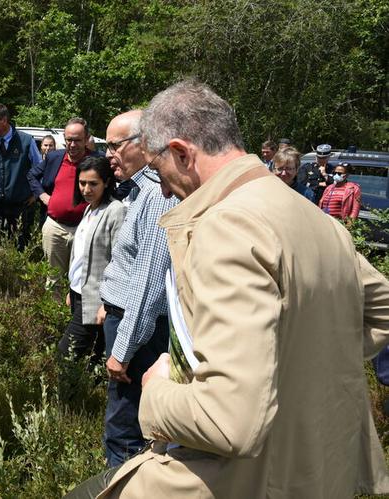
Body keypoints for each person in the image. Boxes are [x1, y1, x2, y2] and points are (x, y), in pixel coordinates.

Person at [69, 79, 389, 498]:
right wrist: (294, 368)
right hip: (316, 471)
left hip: (234, 480)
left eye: (159, 171)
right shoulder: (318, 221)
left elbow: (228, 420)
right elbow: (379, 311)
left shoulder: (227, 225)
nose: (162, 189)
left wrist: (156, 391)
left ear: (182, 153)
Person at [97, 109, 178, 467]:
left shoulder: (158, 194)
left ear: (142, 142)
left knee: (125, 431)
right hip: (127, 319)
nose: (108, 155)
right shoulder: (140, 190)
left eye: (114, 145)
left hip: (139, 333)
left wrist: (123, 351)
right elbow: (132, 266)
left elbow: (149, 284)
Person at [59, 156, 126, 366]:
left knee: (65, 353)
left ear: (106, 182)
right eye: (82, 183)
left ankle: (67, 398)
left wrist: (107, 303)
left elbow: (119, 260)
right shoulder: (89, 208)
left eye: (93, 184)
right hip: (79, 293)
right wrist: (72, 289)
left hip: (98, 299)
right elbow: (81, 255)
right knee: (92, 355)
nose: (86, 189)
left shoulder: (116, 210)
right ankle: (85, 397)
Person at [28, 117, 97, 275]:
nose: (72, 145)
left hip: (85, 228)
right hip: (55, 228)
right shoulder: (55, 157)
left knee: (81, 277)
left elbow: (119, 183)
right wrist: (43, 195)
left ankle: (74, 301)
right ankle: (54, 301)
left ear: (86, 139)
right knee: (54, 277)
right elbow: (32, 175)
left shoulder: (96, 160)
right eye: (69, 140)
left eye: (77, 140)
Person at [0, 103, 42, 251]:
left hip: (19, 205)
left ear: (4, 120)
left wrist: (35, 194)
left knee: (20, 246)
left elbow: (39, 168)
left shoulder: (26, 141)